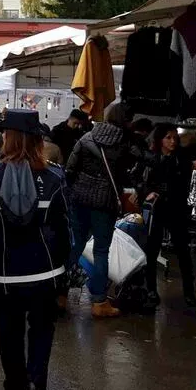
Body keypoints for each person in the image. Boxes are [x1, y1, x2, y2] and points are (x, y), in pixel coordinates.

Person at [0, 109, 69, 390]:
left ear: (8, 138)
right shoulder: (54, 176)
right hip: (46, 267)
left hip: (6, 270)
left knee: (10, 330)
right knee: (43, 327)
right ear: (38, 140)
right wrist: (65, 264)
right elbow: (64, 225)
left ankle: (14, 388)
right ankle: (37, 381)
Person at [64, 101, 134, 319]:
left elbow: (70, 169)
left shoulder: (86, 138)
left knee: (75, 245)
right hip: (105, 203)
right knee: (101, 251)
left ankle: (59, 293)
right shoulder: (124, 143)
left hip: (79, 199)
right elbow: (129, 173)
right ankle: (99, 302)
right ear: (127, 121)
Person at [142, 124, 196, 307]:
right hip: (158, 209)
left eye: (174, 137)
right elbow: (139, 179)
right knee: (151, 250)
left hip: (177, 209)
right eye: (168, 137)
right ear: (160, 140)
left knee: (183, 252)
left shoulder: (181, 159)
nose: (172, 141)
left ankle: (189, 292)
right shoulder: (152, 158)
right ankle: (151, 290)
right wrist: (147, 192)